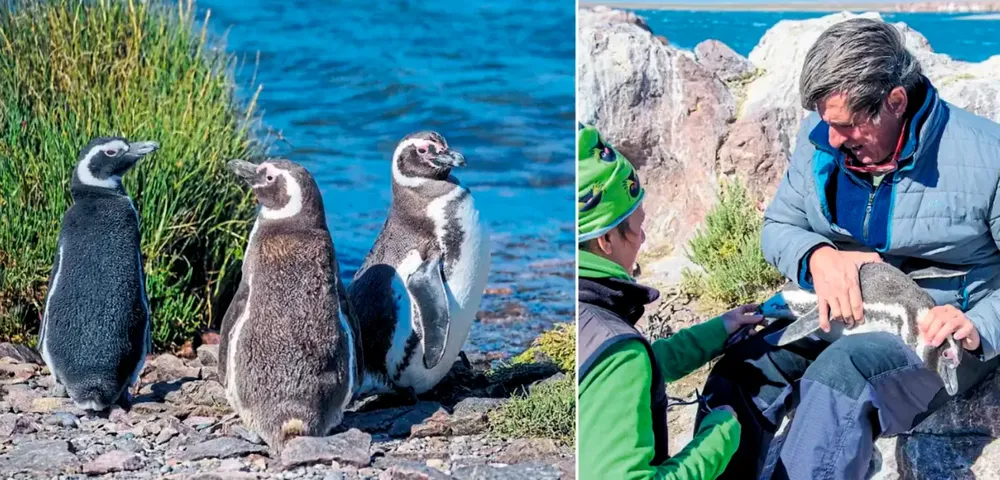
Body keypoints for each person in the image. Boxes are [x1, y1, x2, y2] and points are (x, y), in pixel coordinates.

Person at [696, 18, 1000, 480]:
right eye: (826, 122)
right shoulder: (821, 142)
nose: (833, 139)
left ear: (895, 101)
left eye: (847, 125)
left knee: (839, 381)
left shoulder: (986, 157)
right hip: (839, 314)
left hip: (935, 334)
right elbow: (780, 225)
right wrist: (818, 257)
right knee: (741, 371)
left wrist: (978, 325)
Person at [576, 123, 764, 479]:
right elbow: (621, 370)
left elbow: (632, 375)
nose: (644, 237)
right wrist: (720, 434)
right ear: (605, 241)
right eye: (636, 224)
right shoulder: (618, 354)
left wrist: (719, 330)